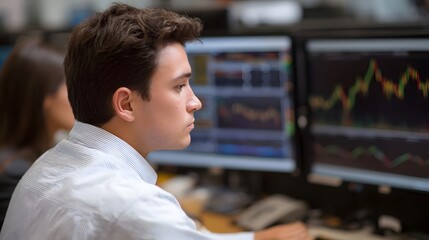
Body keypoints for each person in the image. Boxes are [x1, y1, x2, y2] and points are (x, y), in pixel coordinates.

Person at [0, 4, 312, 240]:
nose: (196, 101)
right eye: (179, 86)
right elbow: (140, 221)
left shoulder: (46, 170)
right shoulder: (136, 208)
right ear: (126, 103)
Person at [0, 38, 74, 226]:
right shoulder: (18, 171)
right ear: (45, 97)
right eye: (70, 87)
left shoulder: (30, 158)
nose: (78, 97)